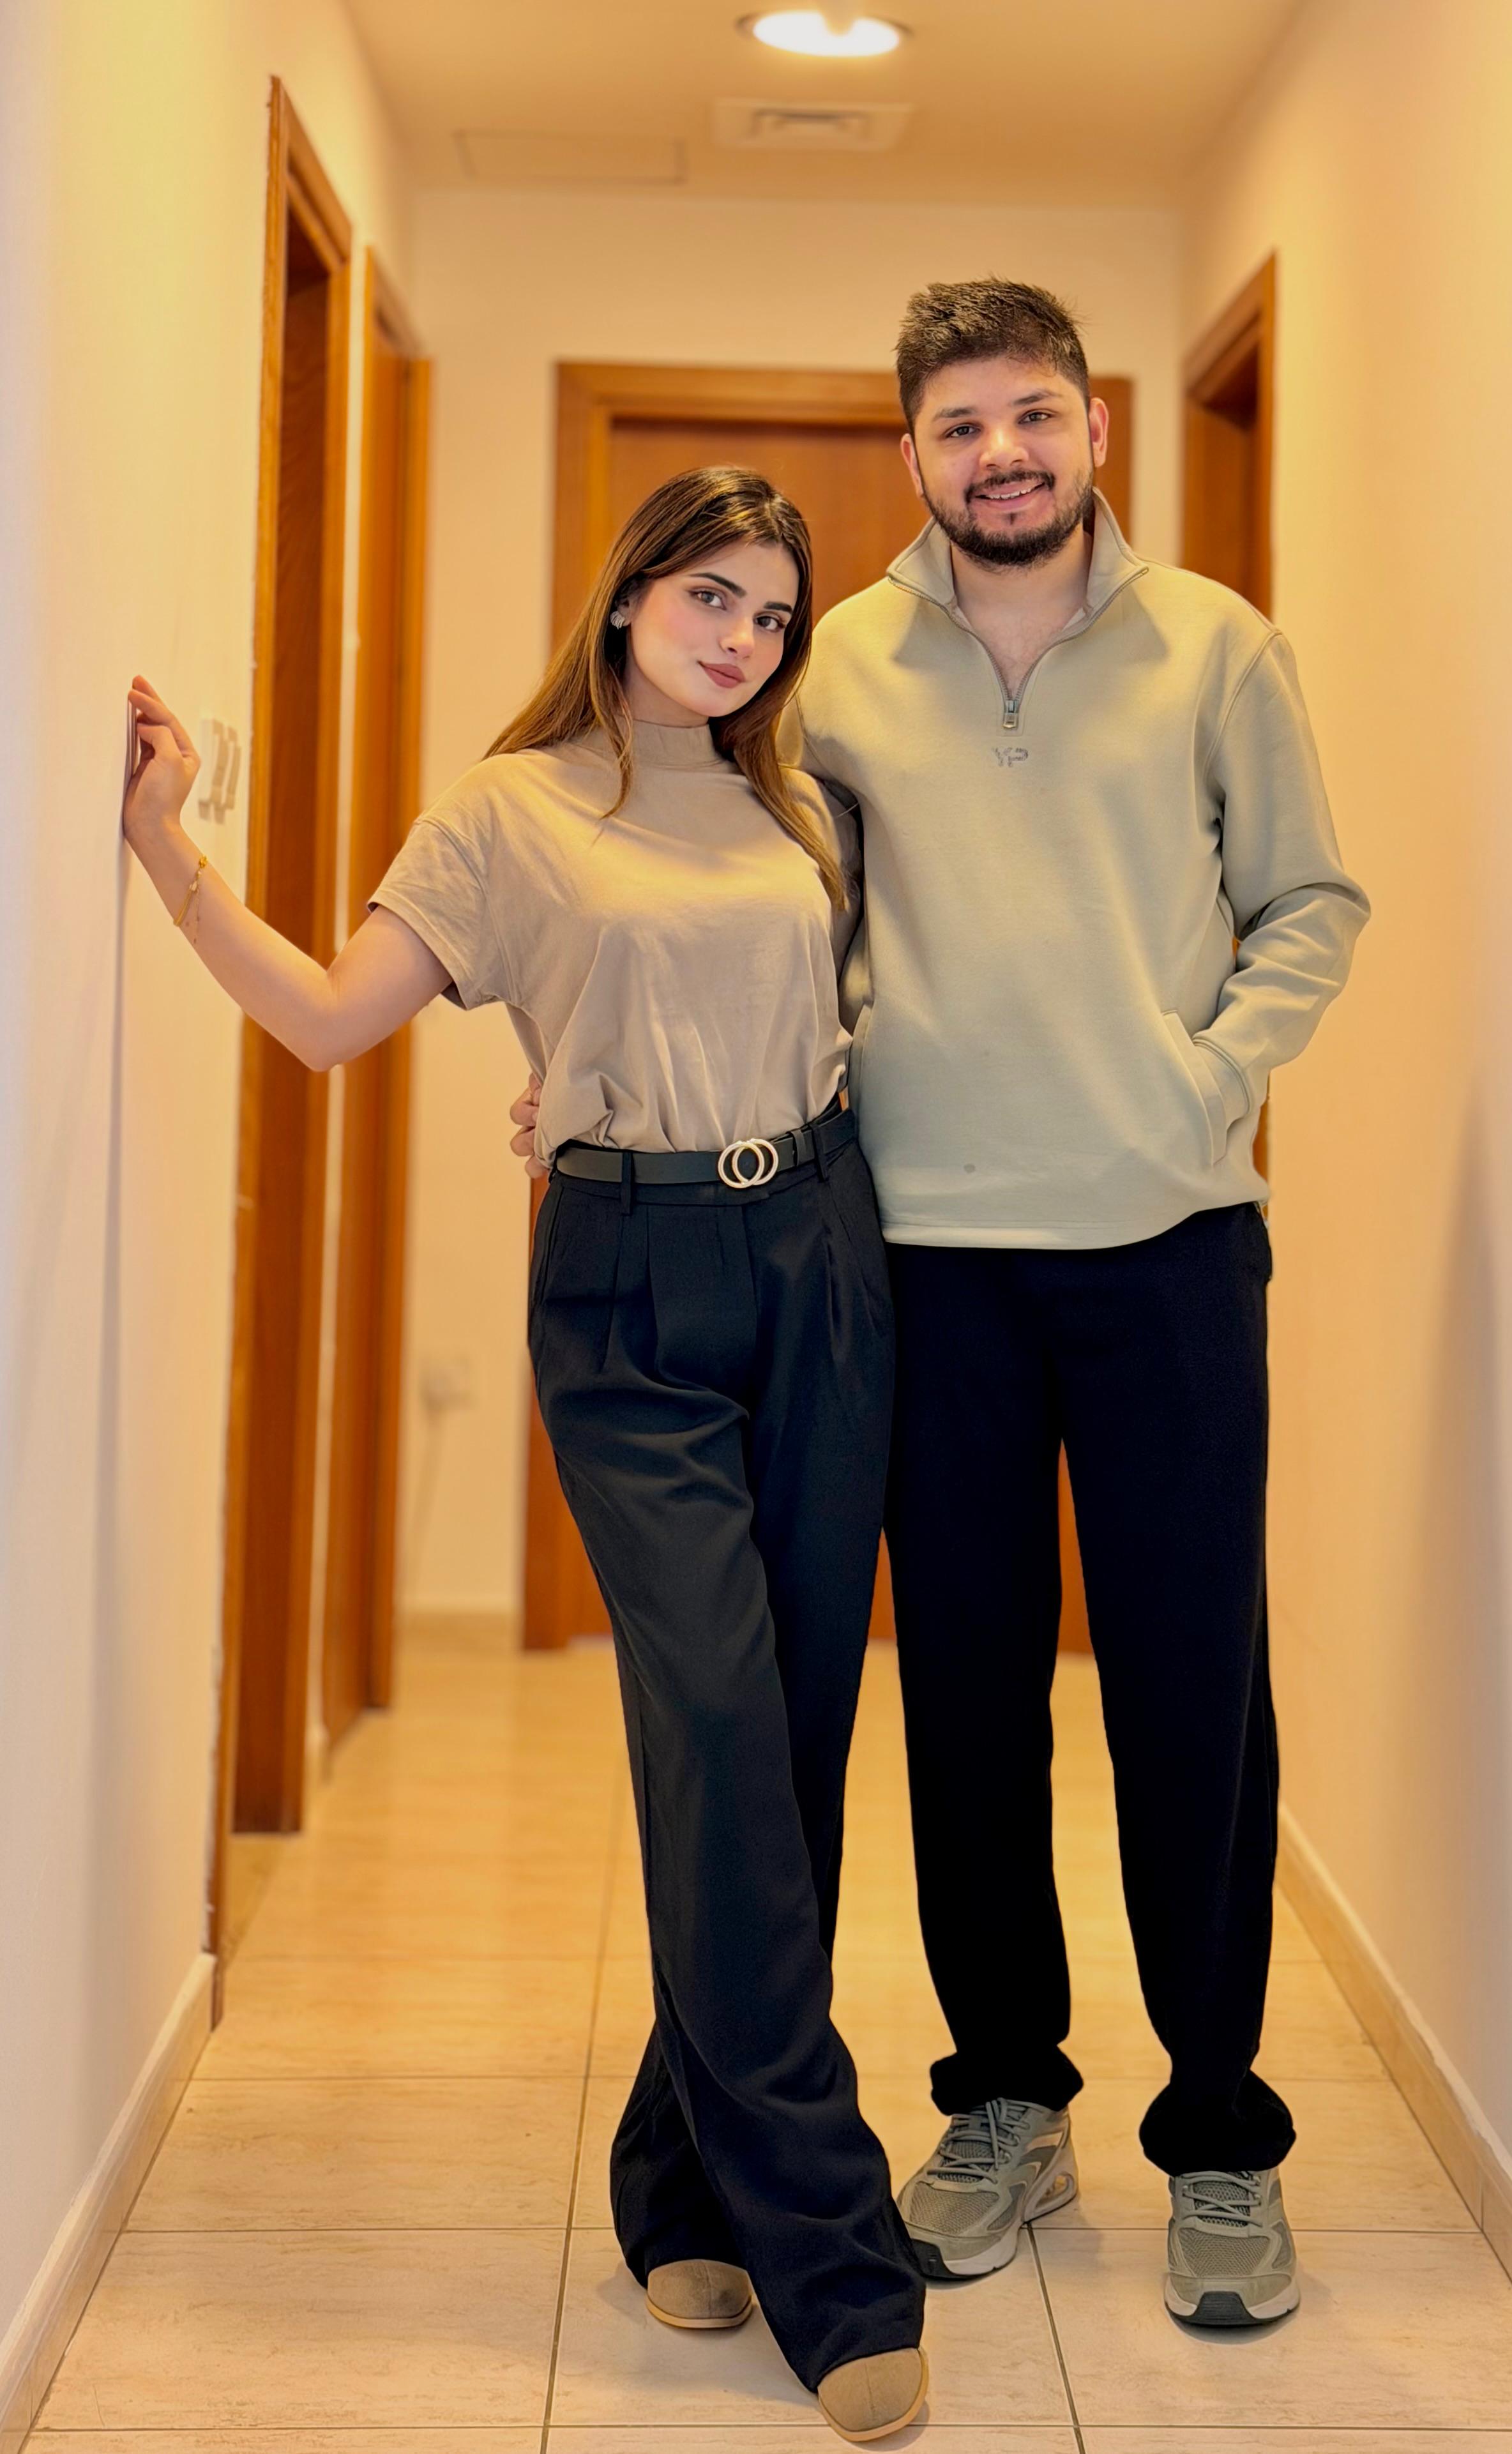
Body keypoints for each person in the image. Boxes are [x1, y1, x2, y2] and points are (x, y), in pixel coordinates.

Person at [518, 281, 1367, 2323]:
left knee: (1192, 1698)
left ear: (1090, 429)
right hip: (912, 1262)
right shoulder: (838, 666)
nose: (1001, 454)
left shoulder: (1215, 643)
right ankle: (1001, 2097)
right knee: (967, 1702)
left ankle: (1223, 2129)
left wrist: (1198, 1076)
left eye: (1032, 416)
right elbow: (702, 877)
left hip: (1166, 1248)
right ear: (910, 454)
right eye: (959, 426)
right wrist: (586, 1050)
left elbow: (1312, 902)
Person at [121, 467, 928, 2444]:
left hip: (822, 1247)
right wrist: (171, 853)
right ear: (631, 591)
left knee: (788, 1745)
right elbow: (327, 1021)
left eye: (771, 613)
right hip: (630, 1288)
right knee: (719, 1723)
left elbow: (837, 1034)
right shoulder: (509, 809)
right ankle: (831, 2246)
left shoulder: (805, 806)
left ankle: (678, 2174)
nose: (740, 638)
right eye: (708, 596)